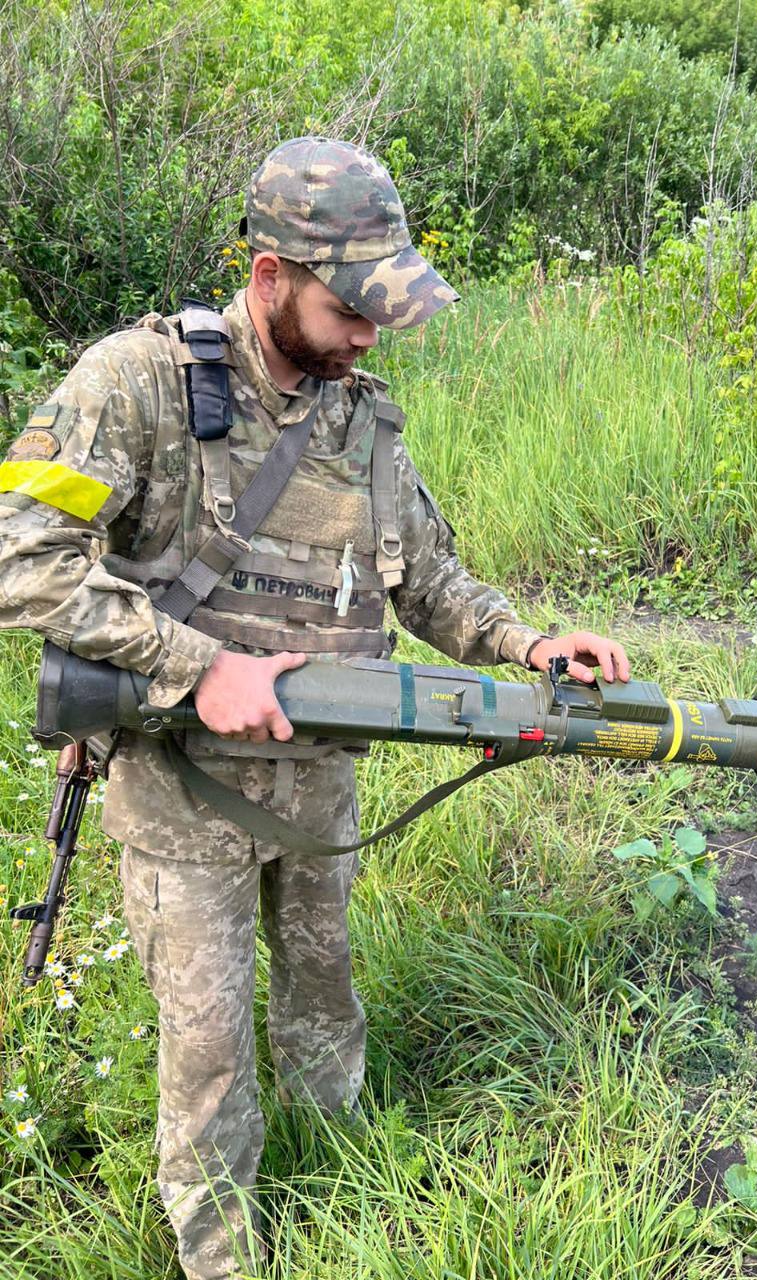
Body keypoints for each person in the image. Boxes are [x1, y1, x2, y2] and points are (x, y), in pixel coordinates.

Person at [0, 136, 630, 1279]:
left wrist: (531, 642)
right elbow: (20, 551)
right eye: (350, 308)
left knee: (326, 998)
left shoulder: (361, 417)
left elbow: (426, 579)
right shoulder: (137, 384)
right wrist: (199, 663)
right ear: (269, 276)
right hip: (183, 793)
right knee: (206, 1053)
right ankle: (222, 1254)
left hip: (320, 774)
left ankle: (350, 1185)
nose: (366, 336)